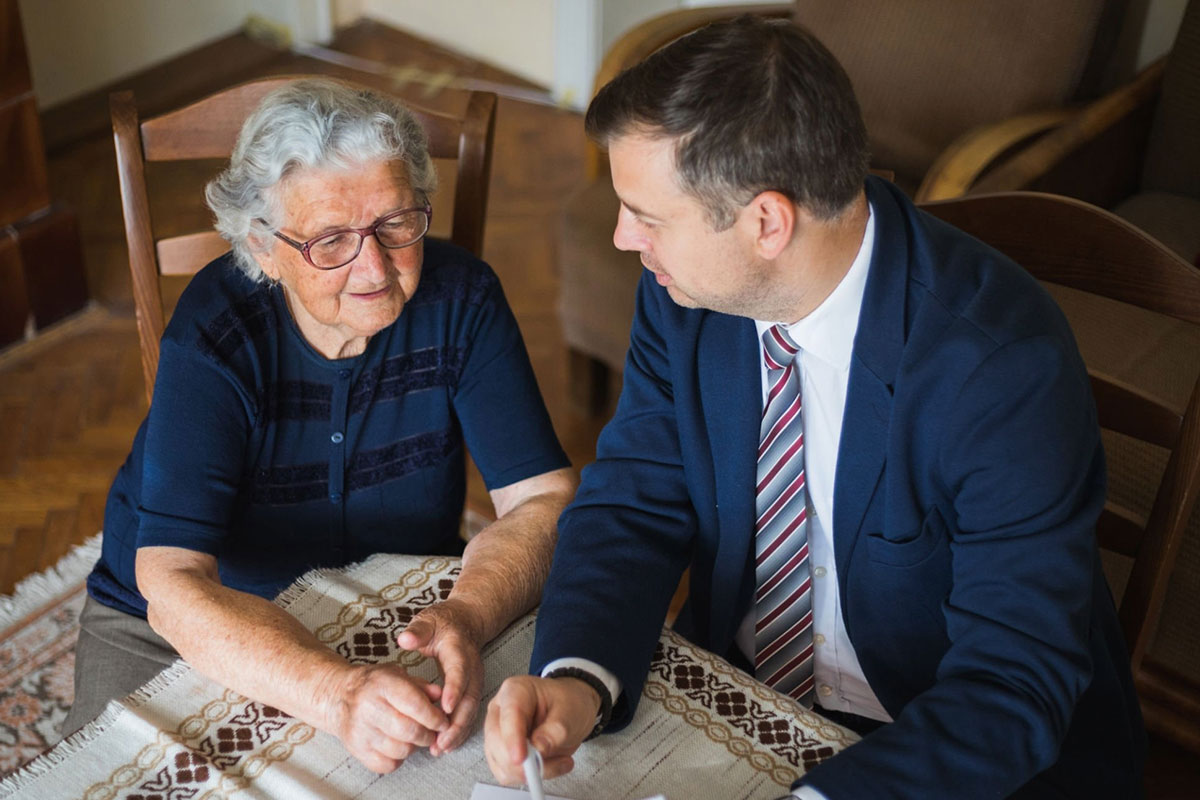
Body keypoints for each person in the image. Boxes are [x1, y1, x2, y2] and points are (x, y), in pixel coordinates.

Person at [484, 16, 1145, 799]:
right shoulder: (686, 296)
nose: (626, 238)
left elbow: (1010, 685)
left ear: (767, 221)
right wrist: (579, 677)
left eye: (649, 217)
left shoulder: (1001, 372)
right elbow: (635, 499)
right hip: (738, 700)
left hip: (939, 753)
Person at [67, 78, 576, 774]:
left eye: (396, 223)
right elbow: (173, 582)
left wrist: (468, 613)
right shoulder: (215, 337)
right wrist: (336, 696)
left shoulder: (462, 298)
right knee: (112, 782)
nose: (374, 265)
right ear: (264, 247)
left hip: (399, 601)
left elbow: (543, 499)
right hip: (201, 621)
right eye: (331, 240)